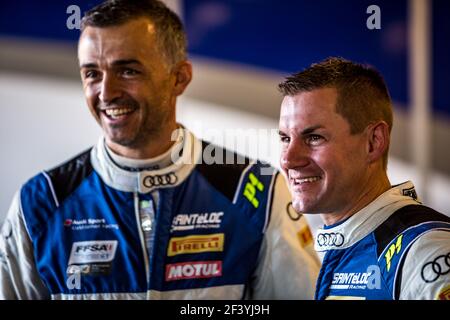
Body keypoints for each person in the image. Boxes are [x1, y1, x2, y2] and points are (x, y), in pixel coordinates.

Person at [0, 0, 320, 300]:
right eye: (92, 74)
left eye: (128, 71)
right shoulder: (40, 203)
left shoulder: (257, 192)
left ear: (179, 78)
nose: (106, 93)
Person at [278, 57, 450, 300]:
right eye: (285, 139)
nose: (288, 160)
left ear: (373, 142)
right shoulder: (323, 247)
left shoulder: (426, 253)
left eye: (314, 137)